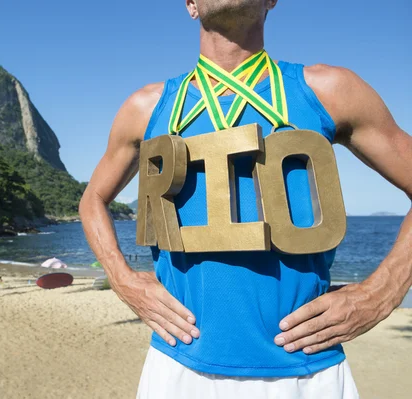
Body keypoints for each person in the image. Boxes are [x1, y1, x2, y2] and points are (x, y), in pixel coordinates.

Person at [78, 1, 412, 398]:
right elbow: (93, 199)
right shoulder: (145, 108)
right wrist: (124, 281)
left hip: (305, 371)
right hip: (177, 364)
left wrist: (383, 291)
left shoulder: (330, 90)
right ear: (190, 4)